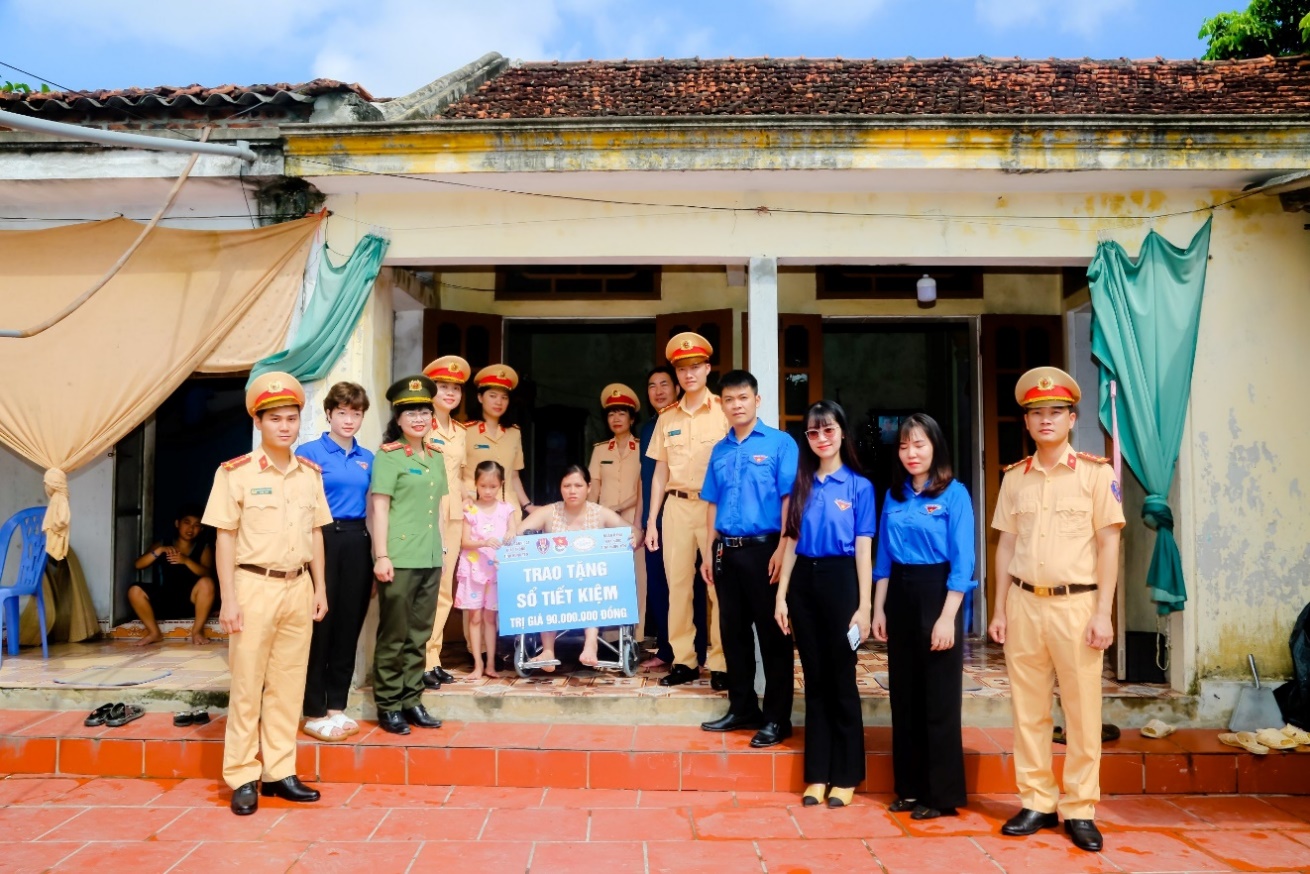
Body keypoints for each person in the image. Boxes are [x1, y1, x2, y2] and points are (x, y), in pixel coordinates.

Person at [988, 367, 1124, 853]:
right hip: (1024, 604)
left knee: (1084, 712)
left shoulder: (1095, 474)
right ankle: (1037, 801)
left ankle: (1081, 807)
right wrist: (999, 608)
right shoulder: (1014, 479)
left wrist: (1103, 612)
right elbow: (1004, 548)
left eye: (1055, 412)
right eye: (1036, 413)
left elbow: (1110, 547)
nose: (1045, 420)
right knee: (1028, 711)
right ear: (1026, 422)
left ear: (1072, 418)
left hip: (1077, 605)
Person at [202, 371, 329, 816]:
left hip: (298, 587)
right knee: (247, 685)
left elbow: (316, 533)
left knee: (288, 686)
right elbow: (224, 539)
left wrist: (321, 588)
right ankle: (242, 774)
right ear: (259, 422)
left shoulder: (310, 473)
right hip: (252, 586)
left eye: (292, 418)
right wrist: (229, 599)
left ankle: (279, 770)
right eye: (275, 418)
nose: (285, 426)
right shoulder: (234, 474)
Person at [872, 413, 975, 819]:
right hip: (899, 591)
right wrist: (879, 606)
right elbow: (883, 557)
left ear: (935, 447)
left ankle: (942, 795)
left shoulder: (955, 494)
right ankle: (910, 789)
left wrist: (948, 617)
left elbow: (963, 563)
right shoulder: (894, 495)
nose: (911, 453)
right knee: (905, 695)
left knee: (939, 698)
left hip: (939, 594)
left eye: (919, 445)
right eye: (904, 446)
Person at [774, 400, 876, 808]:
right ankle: (816, 775)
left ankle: (846, 774)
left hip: (842, 583)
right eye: (813, 432)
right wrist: (781, 596)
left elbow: (864, 550)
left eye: (828, 430)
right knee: (814, 679)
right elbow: (792, 544)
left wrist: (864, 606)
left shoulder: (859, 487)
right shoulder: (802, 484)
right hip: (803, 585)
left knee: (841, 678)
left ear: (841, 433)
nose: (821, 439)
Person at [699, 370, 798, 747]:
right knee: (733, 635)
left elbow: (790, 499)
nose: (736, 405)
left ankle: (777, 718)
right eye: (729, 399)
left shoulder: (780, 444)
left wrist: (782, 547)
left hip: (766, 551)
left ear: (757, 401)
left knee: (773, 637)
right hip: (727, 551)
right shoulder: (720, 450)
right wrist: (709, 550)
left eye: (743, 398)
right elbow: (712, 502)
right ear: (721, 404)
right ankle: (742, 708)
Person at [645, 332, 729, 688]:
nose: (689, 374)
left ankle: (723, 663)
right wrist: (652, 520)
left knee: (718, 588)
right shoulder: (667, 418)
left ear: (708, 368)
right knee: (677, 585)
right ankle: (684, 661)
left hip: (714, 509)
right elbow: (660, 471)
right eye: (682, 368)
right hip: (676, 508)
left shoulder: (724, 411)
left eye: (695, 366)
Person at [370, 375, 448, 736]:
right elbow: (379, 509)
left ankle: (411, 699)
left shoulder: (435, 457)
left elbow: (438, 510)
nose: (418, 418)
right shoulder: (388, 457)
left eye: (424, 412)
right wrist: (381, 555)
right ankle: (388, 704)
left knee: (419, 634)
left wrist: (442, 550)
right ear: (398, 420)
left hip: (430, 556)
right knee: (394, 634)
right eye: (410, 412)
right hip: (399, 557)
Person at [296, 382, 374, 743]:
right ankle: (313, 710)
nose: (348, 419)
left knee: (348, 625)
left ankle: (336, 707)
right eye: (342, 412)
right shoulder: (309, 452)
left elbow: (374, 510)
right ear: (328, 413)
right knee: (320, 626)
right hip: (322, 538)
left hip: (357, 541)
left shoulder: (368, 457)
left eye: (355, 413)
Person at [520, 465, 637, 668]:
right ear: (560, 488)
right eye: (567, 486)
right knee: (543, 585)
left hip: (590, 581)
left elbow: (635, 531)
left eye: (578, 485)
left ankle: (591, 644)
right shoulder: (550, 512)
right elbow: (518, 533)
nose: (572, 491)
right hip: (556, 581)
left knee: (591, 586)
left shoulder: (599, 513)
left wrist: (634, 538)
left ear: (588, 487)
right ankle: (548, 651)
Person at [421, 354, 472, 690]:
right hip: (425, 514)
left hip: (453, 516)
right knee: (424, 587)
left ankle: (433, 657)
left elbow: (463, 475)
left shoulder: (460, 432)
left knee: (444, 590)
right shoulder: (420, 425)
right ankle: (420, 659)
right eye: (443, 386)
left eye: (455, 388)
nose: (450, 393)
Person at [637, 365, 687, 670]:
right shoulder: (646, 429)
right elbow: (647, 479)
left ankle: (691, 652)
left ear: (677, 388)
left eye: (664, 384)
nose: (658, 391)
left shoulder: (686, 422)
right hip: (654, 520)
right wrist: (646, 521)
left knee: (684, 585)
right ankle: (667, 649)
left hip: (682, 514)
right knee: (658, 585)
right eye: (652, 385)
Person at [457, 460, 517, 678]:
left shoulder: (506, 509)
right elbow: (464, 542)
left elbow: (513, 532)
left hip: (496, 571)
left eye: (493, 486)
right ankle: (477, 665)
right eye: (483, 486)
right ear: (476, 484)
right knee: (474, 617)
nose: (488, 491)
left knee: (491, 619)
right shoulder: (470, 510)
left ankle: (491, 663)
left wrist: (511, 534)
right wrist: (484, 542)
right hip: (474, 569)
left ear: (501, 484)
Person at [129, 506, 215, 646]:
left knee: (207, 583)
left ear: (201, 529)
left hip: (191, 601)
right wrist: (159, 551)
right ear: (177, 524)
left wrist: (186, 560)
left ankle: (197, 632)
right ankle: (154, 632)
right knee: (134, 590)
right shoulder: (163, 544)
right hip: (166, 599)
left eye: (196, 525)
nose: (191, 528)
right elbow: (138, 565)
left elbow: (207, 573)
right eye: (187, 522)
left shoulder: (203, 547)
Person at [465, 364, 534, 519]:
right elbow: (456, 475)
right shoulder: (464, 431)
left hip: (508, 511)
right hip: (474, 509)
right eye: (493, 395)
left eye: (504, 397)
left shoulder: (514, 433)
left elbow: (514, 477)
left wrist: (528, 506)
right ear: (480, 397)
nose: (499, 402)